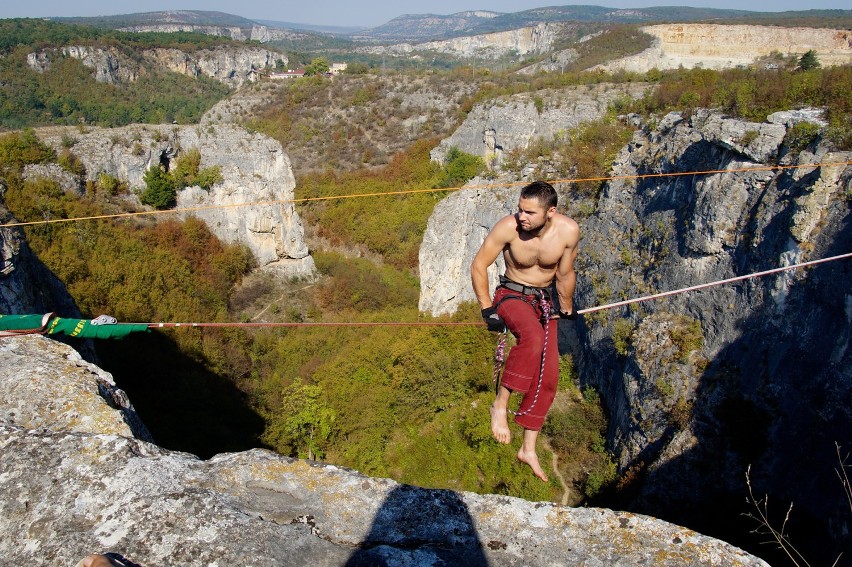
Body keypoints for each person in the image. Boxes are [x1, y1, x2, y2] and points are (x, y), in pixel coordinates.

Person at [470, 181, 579, 481]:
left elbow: (565, 273)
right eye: (520, 209)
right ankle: (499, 405)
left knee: (549, 373)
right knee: (531, 339)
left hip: (544, 301)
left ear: (551, 212)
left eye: (529, 211)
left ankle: (528, 448)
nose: (522, 216)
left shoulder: (568, 232)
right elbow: (479, 265)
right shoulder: (508, 228)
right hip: (511, 296)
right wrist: (486, 308)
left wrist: (566, 307)